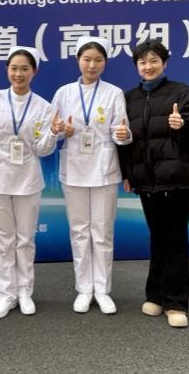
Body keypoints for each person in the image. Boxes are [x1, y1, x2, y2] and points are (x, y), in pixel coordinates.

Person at [119, 39, 189, 329]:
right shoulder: (129, 98)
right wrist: (127, 174)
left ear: (164, 63)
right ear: (137, 66)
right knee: (157, 237)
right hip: (147, 181)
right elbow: (125, 142)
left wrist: (183, 125)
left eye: (153, 61)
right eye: (142, 62)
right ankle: (155, 296)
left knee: (175, 239)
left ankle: (176, 303)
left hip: (178, 179)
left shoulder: (181, 92)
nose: (148, 66)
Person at [0, 46, 58, 319]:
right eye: (14, 68)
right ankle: (7, 294)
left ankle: (25, 292)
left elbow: (42, 149)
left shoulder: (43, 106)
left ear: (34, 72)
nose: (18, 74)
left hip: (28, 177)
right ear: (7, 70)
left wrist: (53, 133)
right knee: (3, 239)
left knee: (25, 238)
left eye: (24, 69)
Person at [50, 36, 132, 315]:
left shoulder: (114, 93)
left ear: (105, 63)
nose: (92, 65)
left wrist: (123, 134)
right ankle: (84, 289)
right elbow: (50, 130)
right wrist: (60, 130)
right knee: (79, 231)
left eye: (98, 60)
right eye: (87, 59)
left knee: (102, 231)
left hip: (104, 169)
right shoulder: (63, 93)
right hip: (74, 170)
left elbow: (121, 133)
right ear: (78, 60)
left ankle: (103, 290)